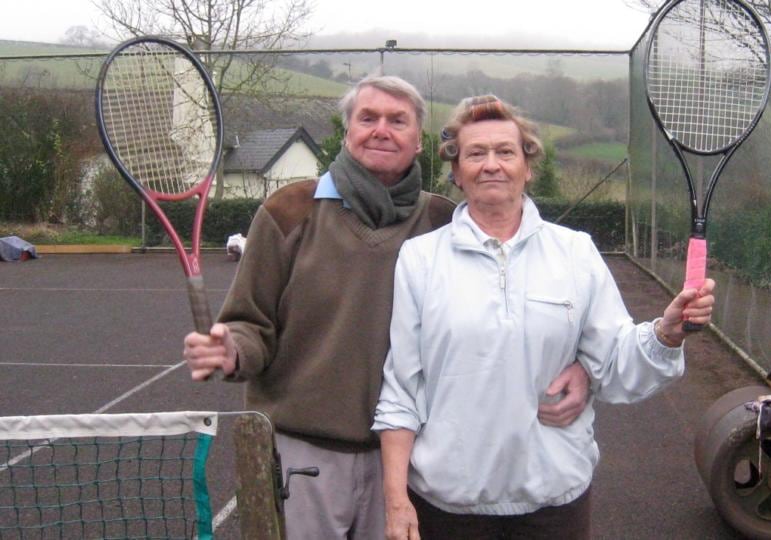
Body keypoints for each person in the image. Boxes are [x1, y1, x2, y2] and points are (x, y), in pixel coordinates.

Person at [182, 77, 592, 539]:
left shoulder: (445, 222)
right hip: (304, 455)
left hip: (410, 462)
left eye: (398, 121)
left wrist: (582, 366)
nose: (382, 130)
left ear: (418, 140)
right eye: (368, 118)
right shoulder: (289, 210)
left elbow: (521, 310)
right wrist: (232, 350)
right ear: (347, 130)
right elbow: (248, 323)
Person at [373, 95, 716, 540]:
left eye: (506, 151)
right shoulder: (420, 259)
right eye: (476, 153)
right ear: (457, 173)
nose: (491, 164)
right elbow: (402, 387)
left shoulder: (575, 252)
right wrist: (397, 499)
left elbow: (613, 362)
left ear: (528, 167)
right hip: (447, 508)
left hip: (554, 507)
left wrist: (666, 334)